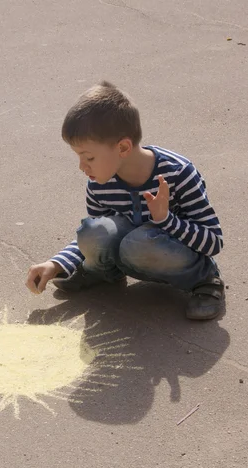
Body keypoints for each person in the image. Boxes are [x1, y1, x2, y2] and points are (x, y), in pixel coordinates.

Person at [25, 81, 225, 320]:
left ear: (122, 147)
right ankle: (102, 273)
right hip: (135, 252)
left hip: (166, 254)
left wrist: (166, 219)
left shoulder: (178, 173)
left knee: (139, 244)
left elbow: (213, 242)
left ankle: (204, 281)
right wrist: (57, 264)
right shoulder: (100, 182)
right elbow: (94, 233)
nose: (81, 166)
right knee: (94, 231)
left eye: (88, 157)